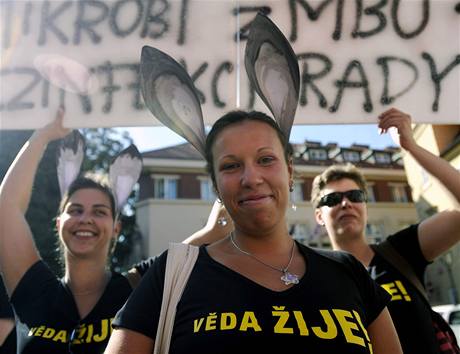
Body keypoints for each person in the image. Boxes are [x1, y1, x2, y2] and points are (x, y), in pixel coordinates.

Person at [105, 110, 403, 354]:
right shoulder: (172, 272)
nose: (251, 178)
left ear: (289, 172)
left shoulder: (348, 272)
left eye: (265, 159)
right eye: (231, 166)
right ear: (216, 186)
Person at [311, 108, 460, 353]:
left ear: (365, 205)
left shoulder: (400, 252)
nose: (345, 203)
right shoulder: (314, 274)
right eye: (333, 199)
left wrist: (410, 146)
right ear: (319, 215)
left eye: (355, 196)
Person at [0, 107, 142, 353]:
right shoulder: (34, 289)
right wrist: (42, 135)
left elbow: (202, 242)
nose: (85, 218)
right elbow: (6, 209)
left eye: (99, 211)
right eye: (75, 210)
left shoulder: (137, 290)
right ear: (58, 223)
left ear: (116, 228)